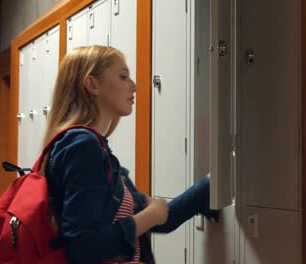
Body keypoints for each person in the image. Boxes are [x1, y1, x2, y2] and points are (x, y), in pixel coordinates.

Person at [42, 45, 218, 264]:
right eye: (123, 77)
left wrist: (211, 185)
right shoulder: (83, 146)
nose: (134, 86)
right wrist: (151, 215)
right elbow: (82, 246)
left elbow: (159, 220)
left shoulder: (98, 149)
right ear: (92, 84)